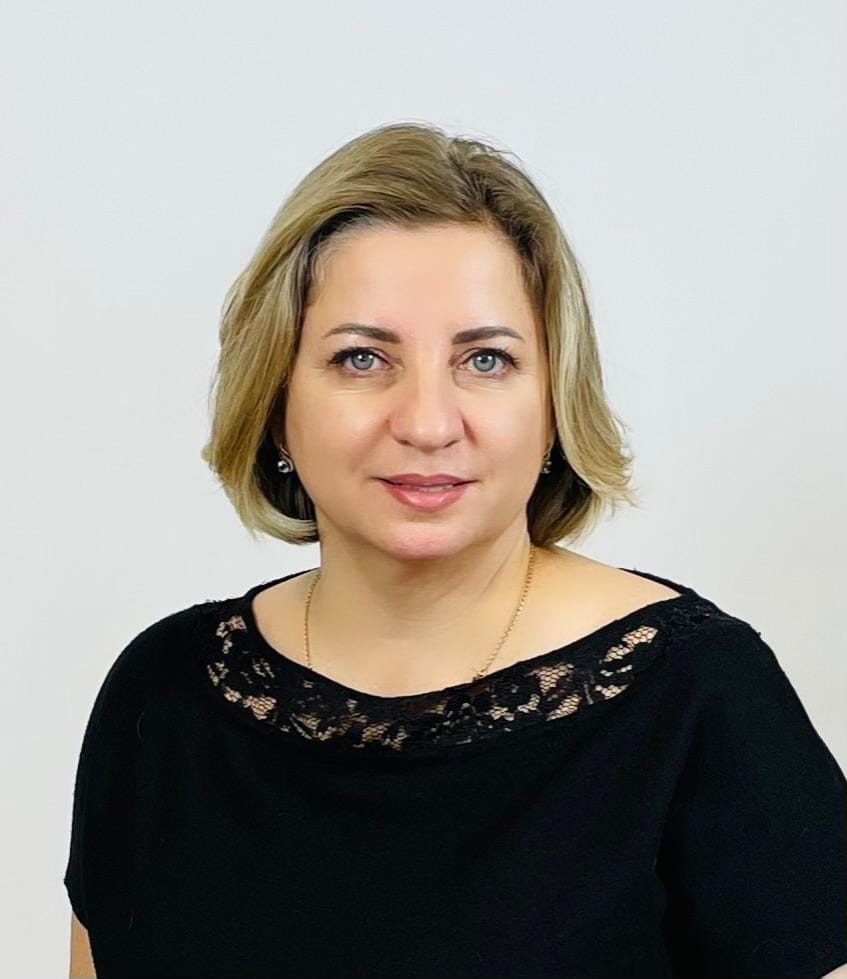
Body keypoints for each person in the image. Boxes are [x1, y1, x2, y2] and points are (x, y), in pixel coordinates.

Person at [64, 121, 847, 979]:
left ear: (553, 405)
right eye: (361, 358)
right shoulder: (162, 697)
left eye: (485, 359)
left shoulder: (697, 695)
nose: (428, 422)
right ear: (277, 401)